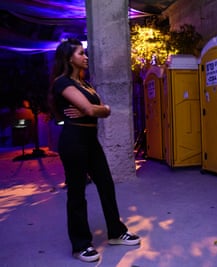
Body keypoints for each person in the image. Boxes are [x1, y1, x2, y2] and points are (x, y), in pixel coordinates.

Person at [48, 38, 140, 262]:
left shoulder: (85, 84)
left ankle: (116, 232)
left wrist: (98, 109)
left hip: (90, 140)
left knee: (106, 184)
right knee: (77, 192)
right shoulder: (62, 83)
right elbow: (91, 109)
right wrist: (97, 109)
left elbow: (97, 110)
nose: (86, 57)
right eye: (81, 53)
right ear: (69, 58)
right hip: (74, 141)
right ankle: (80, 245)